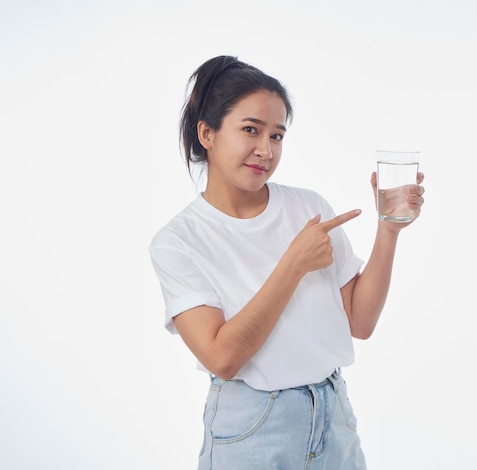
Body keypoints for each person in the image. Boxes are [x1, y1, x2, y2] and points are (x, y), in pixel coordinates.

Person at [149, 55, 425, 470]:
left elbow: (361, 323)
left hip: (333, 414)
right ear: (207, 133)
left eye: (277, 135)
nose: (265, 149)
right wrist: (293, 264)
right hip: (252, 427)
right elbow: (222, 358)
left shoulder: (307, 207)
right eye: (250, 130)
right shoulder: (178, 241)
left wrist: (389, 229)